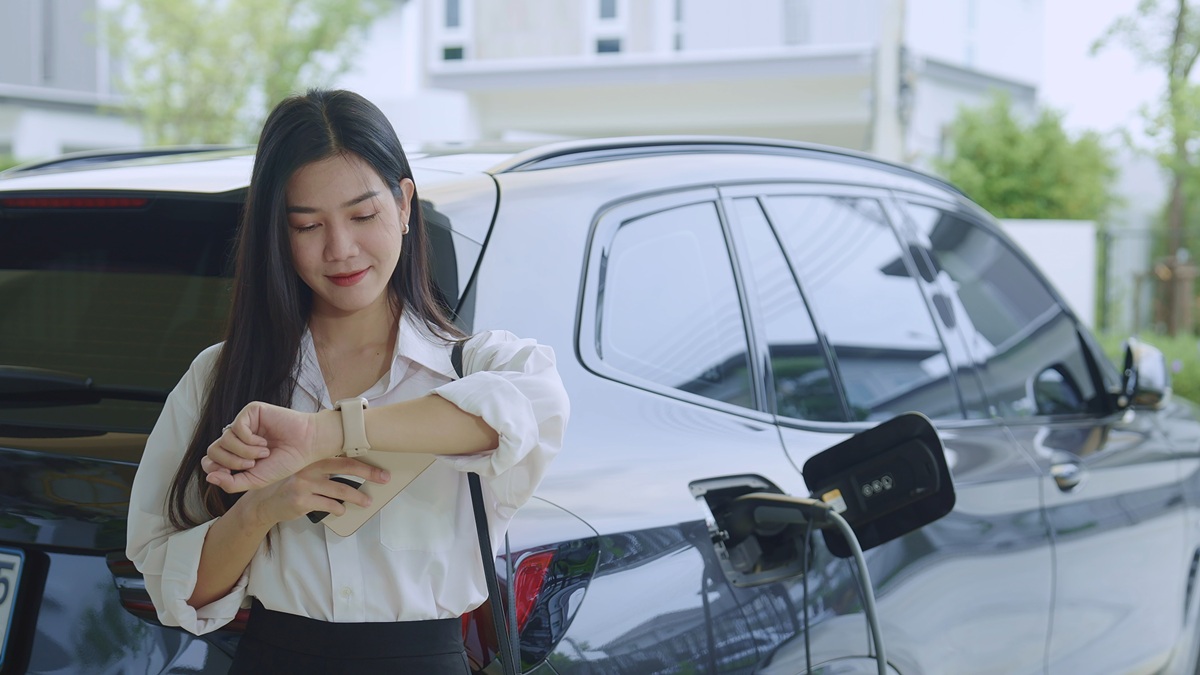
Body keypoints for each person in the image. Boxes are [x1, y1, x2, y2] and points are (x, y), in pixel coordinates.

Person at [125, 89, 569, 674]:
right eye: (308, 226)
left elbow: (522, 413)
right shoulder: (221, 375)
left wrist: (325, 434)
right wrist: (259, 510)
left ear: (404, 204)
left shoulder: (481, 365)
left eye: (363, 216)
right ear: (278, 237)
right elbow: (177, 592)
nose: (341, 249)